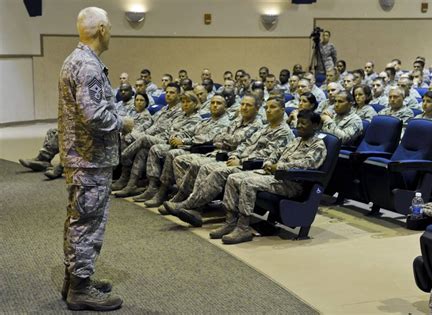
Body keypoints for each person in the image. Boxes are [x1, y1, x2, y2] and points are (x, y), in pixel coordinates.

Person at [58, 7, 133, 311]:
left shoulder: (76, 60)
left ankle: (75, 278)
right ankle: (80, 289)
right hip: (89, 158)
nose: (112, 32)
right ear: (102, 29)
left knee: (77, 220)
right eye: (111, 27)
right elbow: (93, 115)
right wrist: (122, 122)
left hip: (83, 157)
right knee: (87, 223)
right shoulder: (87, 65)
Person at [163, 96, 294, 225]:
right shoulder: (265, 128)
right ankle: (196, 208)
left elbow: (267, 155)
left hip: (254, 166)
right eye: (267, 107)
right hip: (240, 160)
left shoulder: (283, 132)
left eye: (273, 107)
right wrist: (236, 155)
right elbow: (246, 144)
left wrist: (242, 161)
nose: (268, 110)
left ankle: (189, 205)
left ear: (282, 110)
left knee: (218, 171)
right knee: (205, 167)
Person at [213, 110, 328, 244]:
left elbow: (307, 164)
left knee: (249, 183)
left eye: (304, 123)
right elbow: (276, 152)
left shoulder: (318, 146)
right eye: (298, 122)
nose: (299, 126)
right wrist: (268, 163)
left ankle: (243, 227)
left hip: (292, 183)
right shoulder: (296, 140)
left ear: (314, 126)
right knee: (234, 178)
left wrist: (278, 167)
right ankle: (230, 222)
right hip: (275, 177)